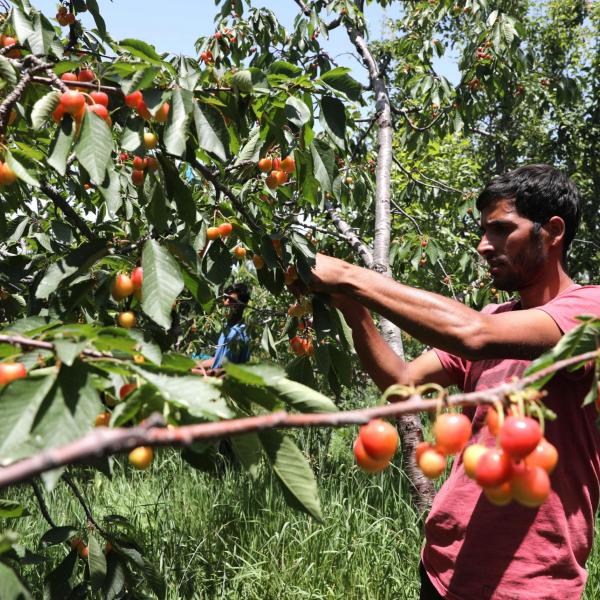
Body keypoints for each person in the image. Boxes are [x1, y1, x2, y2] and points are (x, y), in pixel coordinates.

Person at [307, 165, 600, 599]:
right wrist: (356, 312)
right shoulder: (496, 317)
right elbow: (403, 382)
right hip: (444, 566)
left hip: (529, 582)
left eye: (501, 230)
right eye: (483, 231)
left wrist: (353, 276)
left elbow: (473, 337)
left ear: (552, 231)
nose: (484, 246)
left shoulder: (588, 311)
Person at [192, 282, 251, 377]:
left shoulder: (235, 334)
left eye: (232, 300)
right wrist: (196, 365)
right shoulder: (228, 327)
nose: (226, 303)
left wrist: (192, 371)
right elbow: (218, 360)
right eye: (225, 298)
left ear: (243, 305)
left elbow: (223, 373)